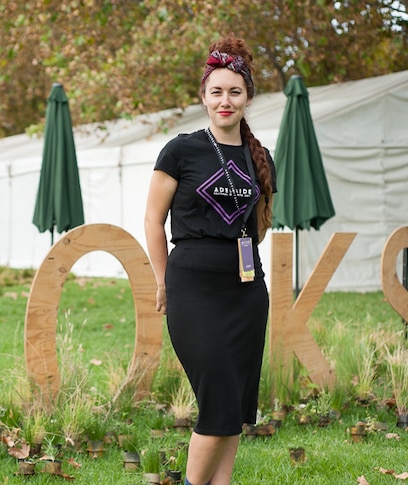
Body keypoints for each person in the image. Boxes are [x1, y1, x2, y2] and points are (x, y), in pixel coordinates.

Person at [144, 35, 276, 485]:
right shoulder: (181, 151)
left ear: (248, 98)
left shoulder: (261, 158)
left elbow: (260, 226)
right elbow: (152, 221)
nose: (226, 100)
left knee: (235, 405)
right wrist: (163, 281)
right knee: (218, 398)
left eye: (235, 91)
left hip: (246, 292)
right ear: (203, 97)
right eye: (216, 91)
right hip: (193, 289)